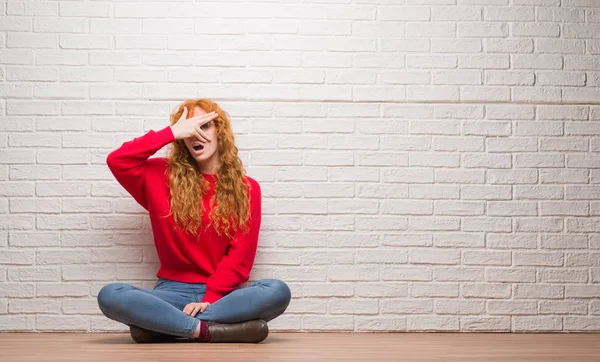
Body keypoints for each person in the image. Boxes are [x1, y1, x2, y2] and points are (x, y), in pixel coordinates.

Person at [96, 99, 291, 343]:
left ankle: (163, 324)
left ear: (220, 131)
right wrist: (170, 132)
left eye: (204, 126)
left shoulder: (247, 189)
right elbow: (118, 160)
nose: (195, 135)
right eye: (189, 129)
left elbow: (241, 257)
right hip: (171, 292)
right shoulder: (159, 176)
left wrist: (212, 296)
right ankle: (206, 331)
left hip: (222, 296)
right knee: (111, 295)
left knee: (277, 291)